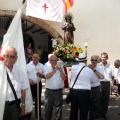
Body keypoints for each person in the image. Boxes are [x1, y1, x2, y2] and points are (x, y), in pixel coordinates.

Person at [3, 46, 29, 120]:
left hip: (14, 106)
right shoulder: (0, 70)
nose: (8, 59)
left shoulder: (19, 71)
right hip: (1, 105)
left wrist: (23, 105)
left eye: (12, 57)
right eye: (6, 56)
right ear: (4, 56)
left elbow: (23, 89)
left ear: (16, 58)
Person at [70, 53, 96, 120]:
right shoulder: (89, 70)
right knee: (84, 112)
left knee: (73, 111)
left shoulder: (73, 67)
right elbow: (93, 81)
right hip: (85, 92)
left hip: (74, 91)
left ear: (78, 60)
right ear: (85, 60)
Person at [44, 55, 66, 120]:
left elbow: (64, 78)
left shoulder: (61, 67)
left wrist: (61, 70)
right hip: (49, 91)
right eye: (52, 60)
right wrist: (54, 70)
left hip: (58, 91)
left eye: (55, 60)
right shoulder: (46, 67)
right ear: (50, 61)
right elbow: (47, 76)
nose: (54, 62)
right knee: (48, 108)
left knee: (58, 109)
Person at [26, 53, 45, 120]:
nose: (35, 59)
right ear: (32, 58)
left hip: (38, 85)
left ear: (38, 58)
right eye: (33, 57)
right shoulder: (27, 66)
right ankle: (28, 115)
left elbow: (44, 76)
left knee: (38, 101)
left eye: (36, 57)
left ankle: (38, 115)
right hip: (30, 85)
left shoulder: (42, 66)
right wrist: (29, 80)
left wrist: (40, 75)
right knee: (29, 100)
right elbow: (24, 75)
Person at [97, 52, 114, 119]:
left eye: (104, 57)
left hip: (107, 84)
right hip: (99, 83)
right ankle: (98, 113)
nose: (103, 58)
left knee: (105, 99)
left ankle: (104, 113)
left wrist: (112, 85)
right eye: (102, 57)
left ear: (107, 58)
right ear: (100, 58)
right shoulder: (98, 65)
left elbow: (112, 76)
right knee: (98, 99)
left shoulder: (111, 65)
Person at [88, 55, 104, 120]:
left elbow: (102, 77)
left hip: (96, 89)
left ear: (98, 61)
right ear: (90, 60)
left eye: (95, 60)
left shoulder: (100, 68)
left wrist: (94, 69)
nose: (94, 61)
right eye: (92, 60)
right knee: (85, 106)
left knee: (94, 107)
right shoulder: (86, 68)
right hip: (87, 89)